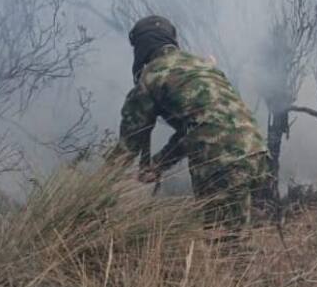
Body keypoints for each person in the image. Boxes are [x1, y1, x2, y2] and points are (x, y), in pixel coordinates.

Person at [107, 15, 269, 232]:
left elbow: (128, 147)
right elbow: (198, 128)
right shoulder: (202, 66)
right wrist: (159, 164)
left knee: (224, 241)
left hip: (220, 162)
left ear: (142, 46)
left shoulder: (151, 77)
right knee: (236, 235)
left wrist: (96, 186)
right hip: (257, 152)